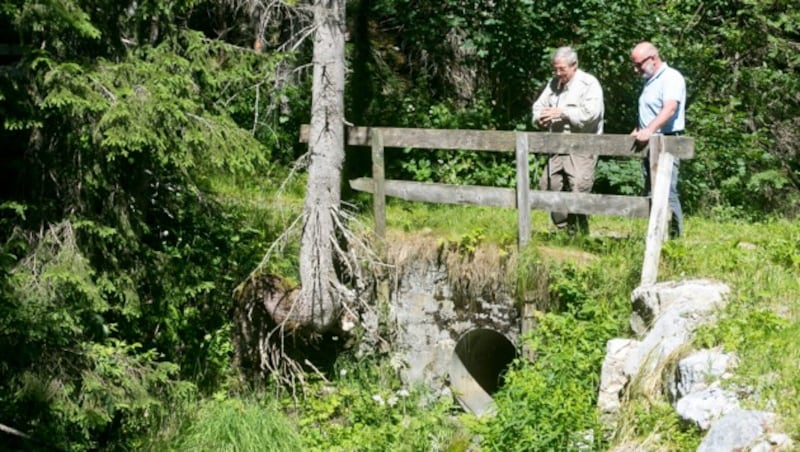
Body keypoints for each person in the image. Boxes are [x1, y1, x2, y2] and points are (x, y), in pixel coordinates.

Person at [532, 46, 604, 234]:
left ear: (574, 65)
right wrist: (540, 118)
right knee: (548, 185)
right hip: (556, 144)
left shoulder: (589, 84)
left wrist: (563, 113)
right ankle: (562, 229)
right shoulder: (553, 84)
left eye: (561, 69)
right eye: (555, 69)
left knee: (579, 187)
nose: (557, 73)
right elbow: (538, 106)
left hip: (582, 145)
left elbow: (591, 115)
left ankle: (579, 231)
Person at [630, 41, 686, 238]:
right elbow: (650, 110)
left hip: (666, 141)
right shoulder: (650, 81)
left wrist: (650, 129)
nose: (636, 69)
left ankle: (674, 237)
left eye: (638, 64)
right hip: (650, 143)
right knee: (651, 189)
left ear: (652, 59)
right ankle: (655, 234)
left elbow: (669, 109)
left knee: (667, 190)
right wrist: (640, 128)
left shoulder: (671, 78)